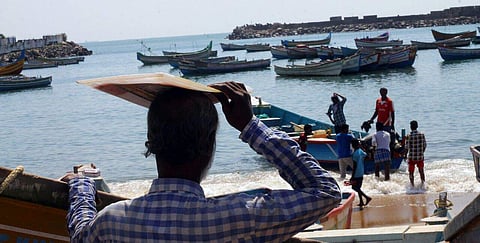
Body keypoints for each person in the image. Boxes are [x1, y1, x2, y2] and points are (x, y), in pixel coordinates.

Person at [61, 81, 341, 242]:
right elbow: (324, 192)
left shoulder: (113, 222)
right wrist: (250, 126)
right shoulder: (242, 217)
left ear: (151, 143)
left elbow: (81, 234)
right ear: (209, 147)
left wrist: (83, 187)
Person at [350, 139, 372, 209]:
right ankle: (361, 201)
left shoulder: (354, 154)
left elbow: (354, 166)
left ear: (353, 145)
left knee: (354, 187)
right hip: (361, 172)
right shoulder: (361, 151)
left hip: (356, 173)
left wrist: (352, 176)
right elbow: (367, 156)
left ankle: (366, 197)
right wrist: (361, 147)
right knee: (358, 187)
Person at [405, 120, 427, 187]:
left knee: (411, 173)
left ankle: (412, 186)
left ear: (411, 127)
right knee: (421, 171)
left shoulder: (409, 136)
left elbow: (407, 147)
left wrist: (405, 155)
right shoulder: (422, 135)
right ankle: (423, 185)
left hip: (412, 157)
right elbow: (425, 145)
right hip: (420, 157)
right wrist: (421, 152)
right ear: (417, 126)